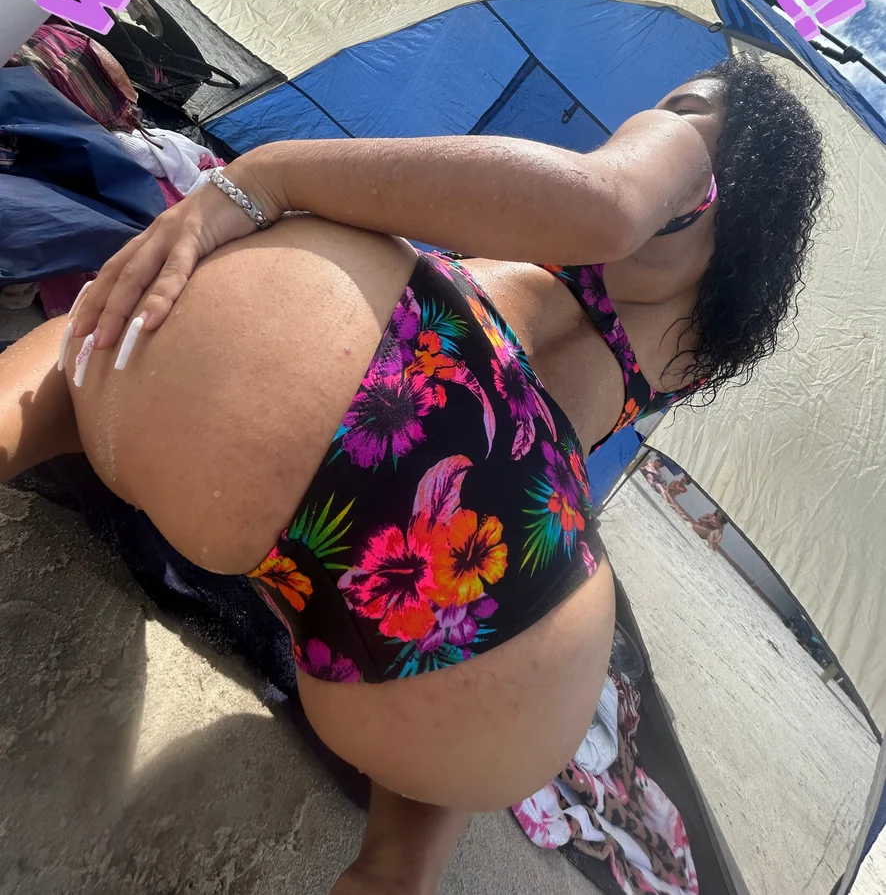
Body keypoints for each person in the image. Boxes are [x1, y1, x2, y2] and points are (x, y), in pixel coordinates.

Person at [0, 53, 825, 894]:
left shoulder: (693, 142)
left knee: (90, 343)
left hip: (382, 382)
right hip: (503, 627)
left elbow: (603, 203)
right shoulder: (702, 342)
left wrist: (262, 178)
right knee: (450, 706)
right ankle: (399, 866)